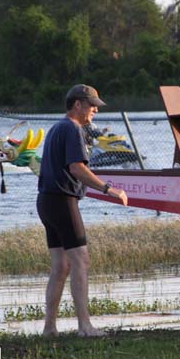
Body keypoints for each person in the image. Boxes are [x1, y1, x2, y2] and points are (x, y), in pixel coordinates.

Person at [37, 84, 128, 337]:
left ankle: (49, 328)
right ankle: (85, 326)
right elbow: (76, 168)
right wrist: (108, 188)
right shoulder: (73, 128)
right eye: (92, 105)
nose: (95, 111)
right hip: (62, 200)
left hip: (46, 200)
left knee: (61, 266)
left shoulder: (56, 128)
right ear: (78, 104)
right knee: (81, 260)